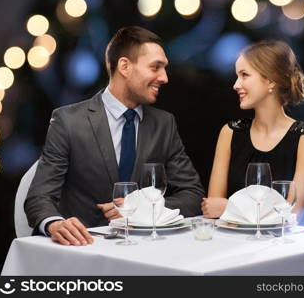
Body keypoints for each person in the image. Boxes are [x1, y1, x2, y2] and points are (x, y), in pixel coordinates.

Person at [25, 26, 205, 246]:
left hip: (147, 250)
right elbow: (39, 197)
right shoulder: (68, 121)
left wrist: (145, 210)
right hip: (82, 249)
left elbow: (193, 194)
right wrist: (54, 224)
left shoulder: (164, 123)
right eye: (155, 67)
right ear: (124, 66)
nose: (165, 78)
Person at [202, 40, 304, 223]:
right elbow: (212, 208)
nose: (235, 85)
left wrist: (229, 207)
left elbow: (293, 214)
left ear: (271, 80)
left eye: (244, 75)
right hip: (233, 240)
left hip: (283, 245)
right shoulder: (230, 132)